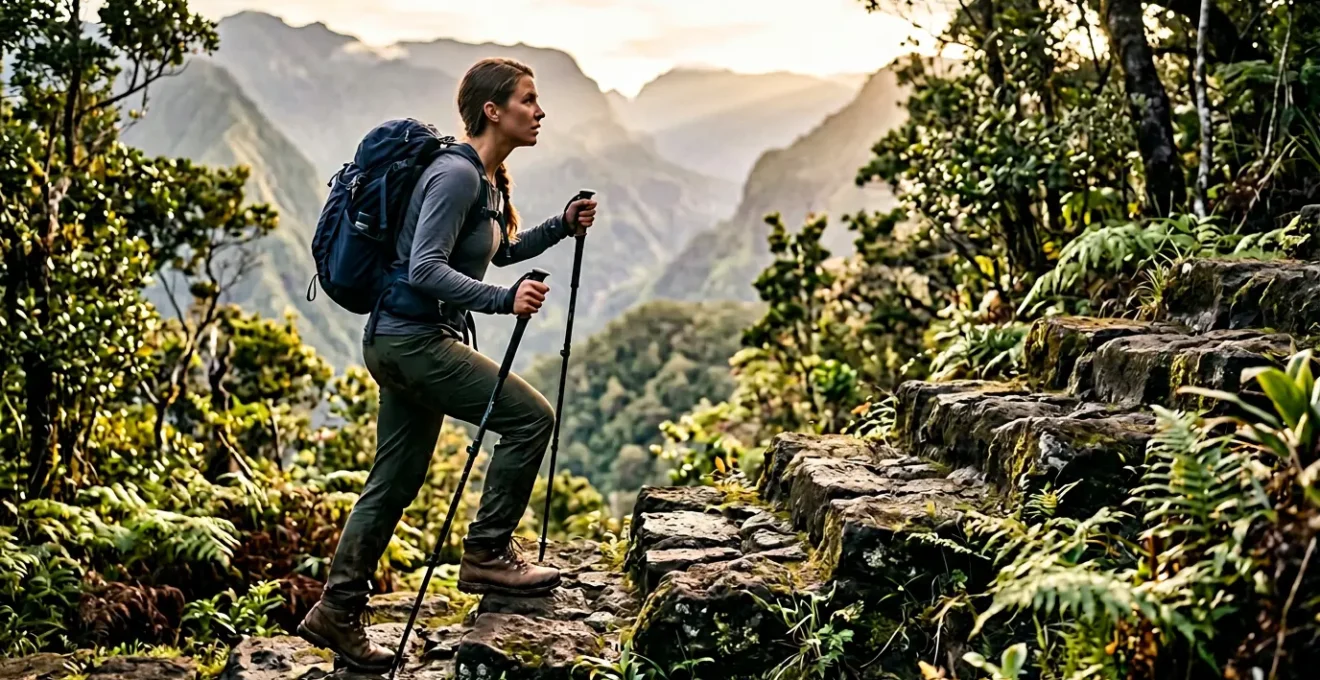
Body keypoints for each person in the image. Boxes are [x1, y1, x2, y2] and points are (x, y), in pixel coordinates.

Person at [296, 57, 598, 671]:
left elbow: (498, 248)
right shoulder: (456, 176)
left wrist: (560, 227)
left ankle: (337, 610)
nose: (540, 112)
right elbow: (426, 268)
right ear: (493, 110)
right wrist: (502, 301)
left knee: (395, 481)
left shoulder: (488, 181)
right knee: (530, 419)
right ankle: (487, 553)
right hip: (412, 340)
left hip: (404, 339)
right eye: (528, 100)